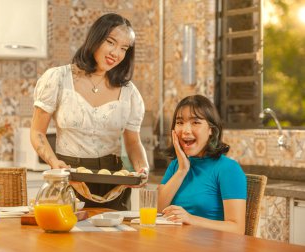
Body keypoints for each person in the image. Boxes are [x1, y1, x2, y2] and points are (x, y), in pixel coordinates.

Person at [30, 13, 149, 210]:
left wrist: (142, 168)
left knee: (113, 240)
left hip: (113, 183)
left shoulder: (130, 93)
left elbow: (133, 141)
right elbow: (37, 132)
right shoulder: (57, 79)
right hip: (67, 177)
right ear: (95, 38)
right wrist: (53, 163)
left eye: (123, 49)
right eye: (111, 42)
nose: (116, 53)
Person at [158, 95, 246, 234]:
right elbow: (158, 210)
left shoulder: (228, 169)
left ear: (211, 129)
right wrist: (182, 170)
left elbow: (237, 229)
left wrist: (191, 219)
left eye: (195, 122)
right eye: (180, 122)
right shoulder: (176, 166)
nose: (186, 130)